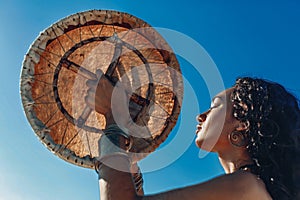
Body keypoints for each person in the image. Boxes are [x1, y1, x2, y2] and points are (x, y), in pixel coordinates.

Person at [85, 75, 300, 200]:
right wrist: (131, 174)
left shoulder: (247, 187)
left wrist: (114, 118)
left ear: (243, 122)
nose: (201, 115)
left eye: (215, 106)